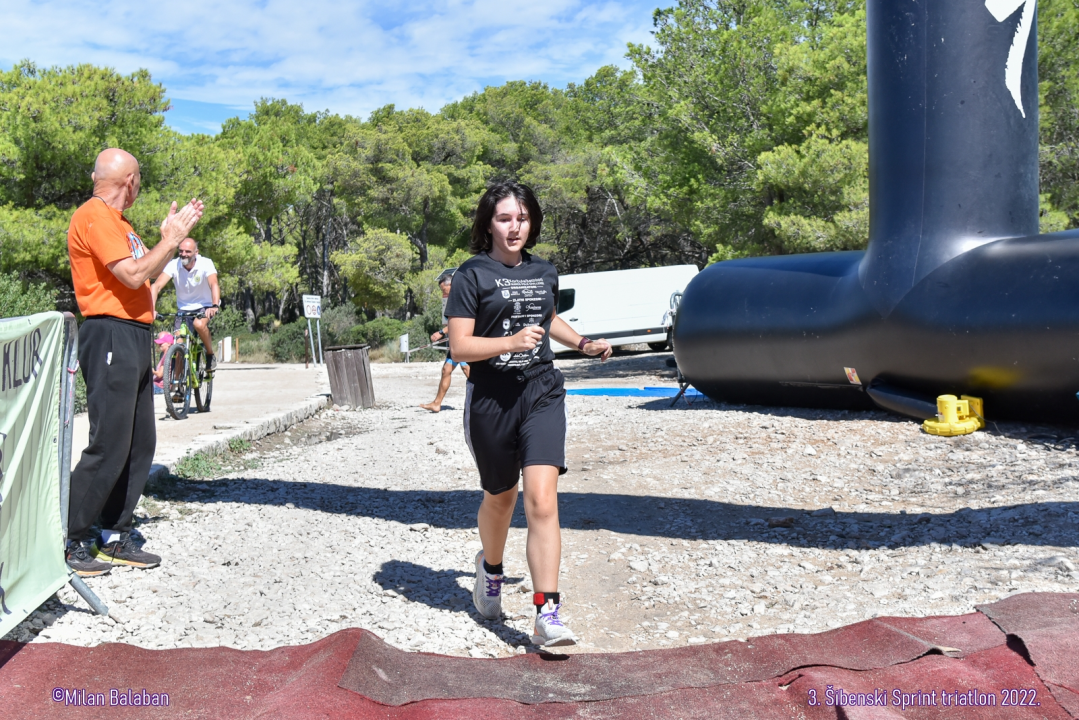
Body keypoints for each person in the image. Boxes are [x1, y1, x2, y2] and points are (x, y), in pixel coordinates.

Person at [445, 181, 612, 647]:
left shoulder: (544, 271)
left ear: (532, 221)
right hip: (492, 399)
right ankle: (491, 568)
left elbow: (550, 316)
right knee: (501, 498)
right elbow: (460, 346)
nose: (514, 227)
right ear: (488, 224)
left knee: (542, 499)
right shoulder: (470, 275)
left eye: (521, 218)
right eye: (504, 218)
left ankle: (547, 612)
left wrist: (581, 343)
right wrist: (508, 342)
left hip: (541, 391)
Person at [66, 148, 203, 576]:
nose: (140, 186)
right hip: (108, 332)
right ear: (130, 181)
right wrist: (167, 241)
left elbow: (145, 276)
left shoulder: (122, 225)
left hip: (134, 334)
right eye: (139, 178)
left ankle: (114, 533)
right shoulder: (94, 216)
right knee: (108, 443)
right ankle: (70, 538)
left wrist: (165, 242)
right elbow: (130, 276)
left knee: (139, 442)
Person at [151, 238, 220, 371]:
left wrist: (214, 305)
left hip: (204, 305)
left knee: (199, 324)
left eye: (188, 251)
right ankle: (177, 387)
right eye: (181, 251)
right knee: (178, 347)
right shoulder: (174, 264)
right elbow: (156, 286)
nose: (183, 254)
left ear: (196, 252)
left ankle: (210, 354)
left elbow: (214, 284)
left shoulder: (206, 263)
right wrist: (151, 309)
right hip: (183, 308)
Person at [419, 269, 470, 412]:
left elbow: (459, 322)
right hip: (455, 342)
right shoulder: (450, 300)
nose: (443, 294)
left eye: (445, 290)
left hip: (463, 342)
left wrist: (441, 332)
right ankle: (437, 403)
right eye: (442, 291)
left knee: (467, 370)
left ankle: (485, 399)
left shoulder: (461, 298)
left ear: (452, 285)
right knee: (446, 370)